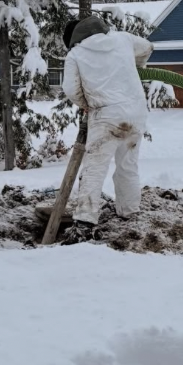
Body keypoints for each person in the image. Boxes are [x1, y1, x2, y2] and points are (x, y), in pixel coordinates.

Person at [61, 14, 153, 236]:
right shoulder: (123, 38)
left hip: (106, 115)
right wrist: (136, 66)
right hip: (136, 112)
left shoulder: (75, 54)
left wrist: (86, 105)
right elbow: (148, 47)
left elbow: (71, 89)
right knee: (128, 165)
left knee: (95, 168)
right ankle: (129, 211)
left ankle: (84, 222)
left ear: (73, 39)